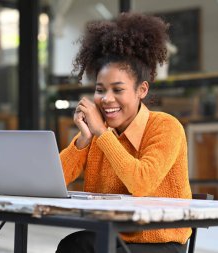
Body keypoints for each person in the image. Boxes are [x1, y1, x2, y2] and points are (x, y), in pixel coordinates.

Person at [56, 12, 192, 253]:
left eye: (118, 89)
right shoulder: (97, 133)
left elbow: (141, 182)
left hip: (160, 242)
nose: (107, 99)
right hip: (112, 236)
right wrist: (83, 141)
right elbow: (54, 180)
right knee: (73, 245)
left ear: (141, 90)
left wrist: (101, 133)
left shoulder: (165, 127)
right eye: (100, 89)